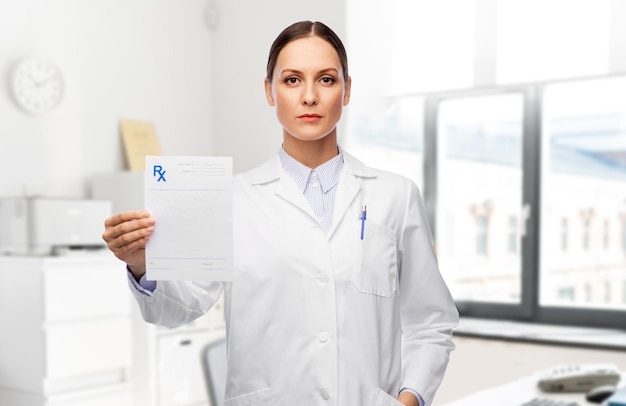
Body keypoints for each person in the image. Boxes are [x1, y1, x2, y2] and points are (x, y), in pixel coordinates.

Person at [102, 20, 458, 406]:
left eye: (326, 79)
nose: (309, 96)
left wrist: (410, 400)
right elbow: (179, 309)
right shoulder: (232, 199)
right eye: (291, 80)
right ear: (269, 91)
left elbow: (431, 321)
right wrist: (143, 265)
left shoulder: (396, 196)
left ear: (347, 89)